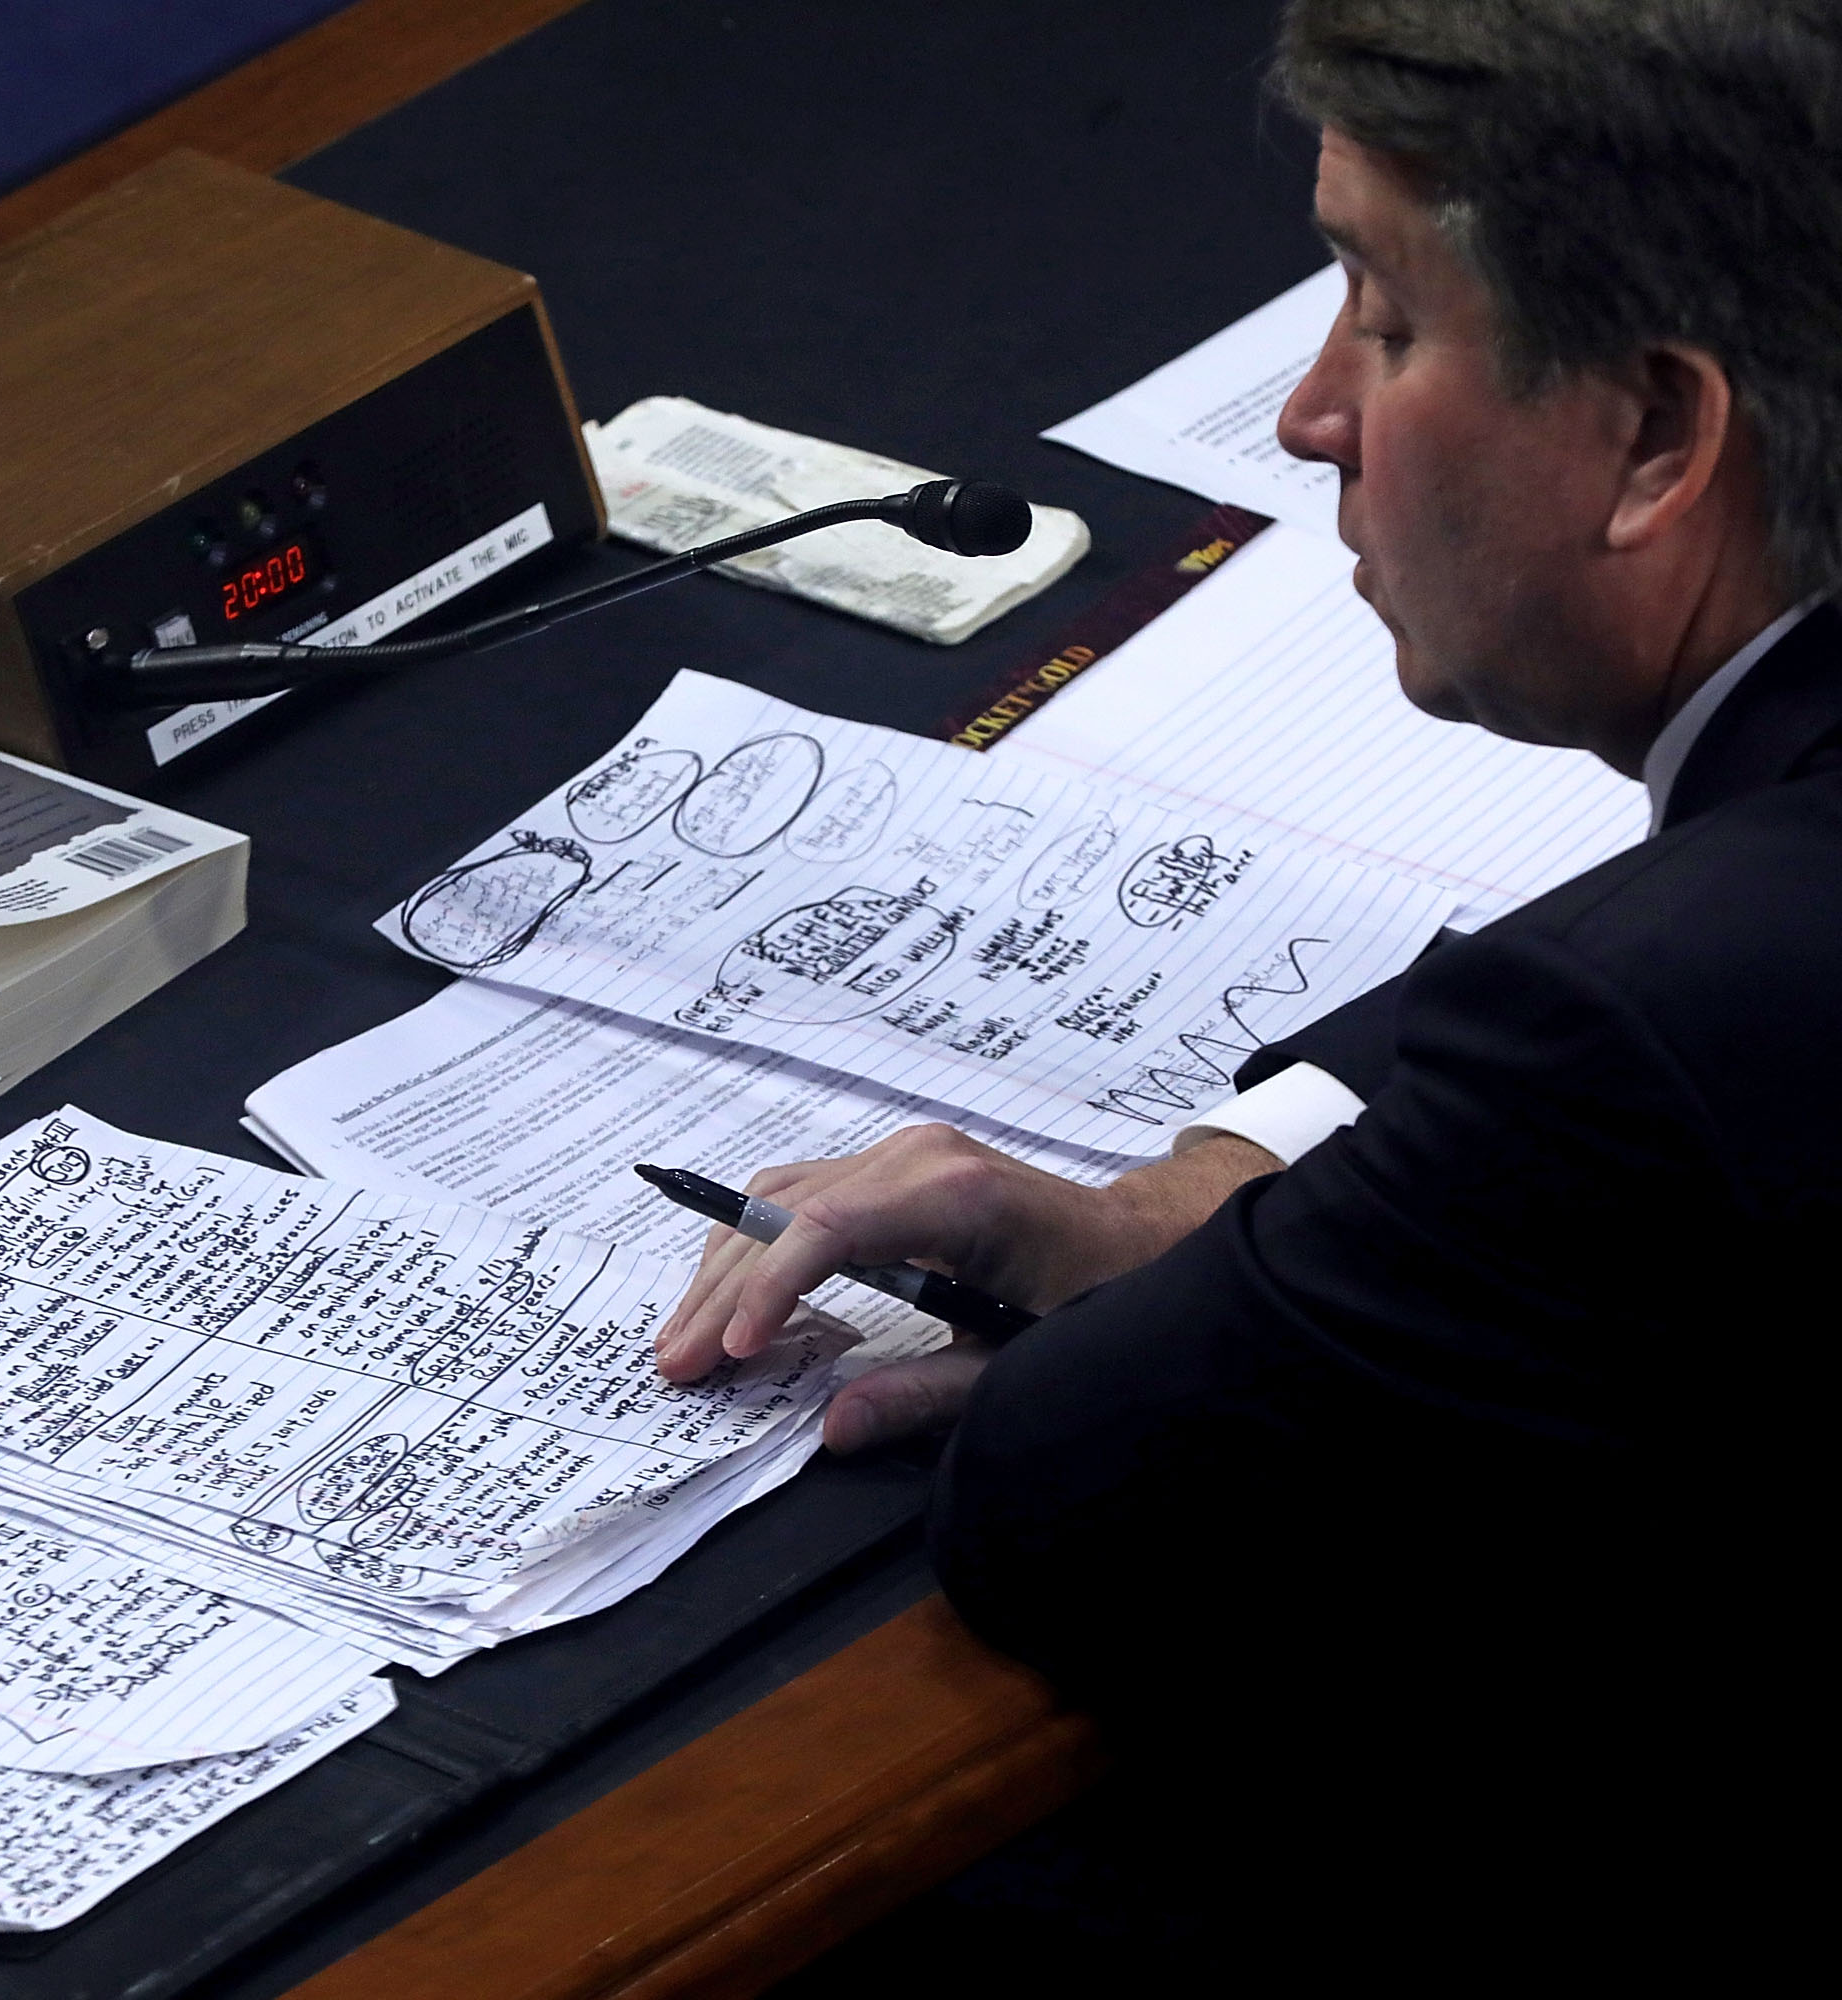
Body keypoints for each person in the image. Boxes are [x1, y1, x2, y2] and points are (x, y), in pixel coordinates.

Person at [659, 0, 1838, 1958]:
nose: (1309, 414)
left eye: (1382, 317)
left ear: (1653, 431)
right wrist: (1224, 1186)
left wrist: (1242, 1269)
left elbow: (1073, 1510)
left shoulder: (1642, 1032)